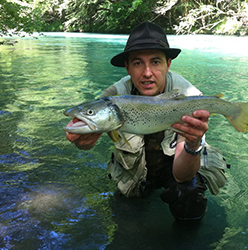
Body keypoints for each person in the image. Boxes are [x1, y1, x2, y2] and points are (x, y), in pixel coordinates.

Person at [65, 22, 228, 220]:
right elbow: (84, 139)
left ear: (168, 64)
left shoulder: (189, 98)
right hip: (136, 170)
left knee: (188, 195)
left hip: (179, 165)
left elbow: (182, 175)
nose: (147, 72)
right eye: (137, 63)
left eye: (156, 62)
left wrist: (193, 143)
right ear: (127, 67)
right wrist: (82, 140)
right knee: (125, 217)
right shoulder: (113, 97)